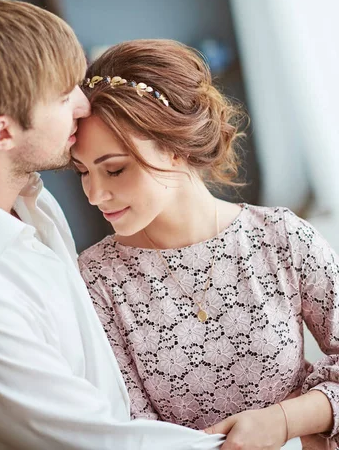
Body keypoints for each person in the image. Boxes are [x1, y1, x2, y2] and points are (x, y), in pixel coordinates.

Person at [0, 0, 240, 450]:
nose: (84, 104)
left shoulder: (31, 202)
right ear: (2, 133)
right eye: (63, 97)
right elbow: (102, 442)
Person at [75, 39, 339, 450]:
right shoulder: (95, 280)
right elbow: (128, 431)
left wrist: (284, 421)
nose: (94, 194)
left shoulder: (281, 238)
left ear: (176, 146)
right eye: (82, 173)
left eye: (114, 170)